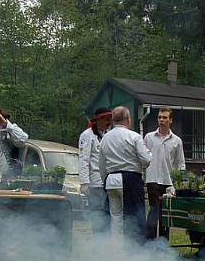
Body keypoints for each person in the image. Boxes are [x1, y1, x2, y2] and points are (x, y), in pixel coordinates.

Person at [98, 106, 152, 248]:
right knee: (135, 217)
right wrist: (149, 154)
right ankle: (136, 252)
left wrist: (105, 182)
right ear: (128, 119)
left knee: (115, 219)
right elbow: (146, 160)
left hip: (110, 179)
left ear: (114, 120)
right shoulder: (134, 136)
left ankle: (116, 252)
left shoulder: (105, 138)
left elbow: (101, 165)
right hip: (130, 178)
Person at [144, 108, 185, 240]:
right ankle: (149, 243)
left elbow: (180, 163)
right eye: (160, 117)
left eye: (165, 117)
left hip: (169, 181)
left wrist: (180, 182)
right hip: (153, 179)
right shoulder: (149, 137)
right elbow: (143, 157)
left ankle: (163, 244)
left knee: (166, 214)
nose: (161, 120)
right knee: (155, 210)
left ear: (170, 120)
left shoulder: (177, 141)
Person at [78, 107, 112, 235]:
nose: (108, 122)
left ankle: (107, 240)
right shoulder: (87, 135)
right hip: (95, 182)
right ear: (98, 120)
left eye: (110, 120)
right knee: (97, 214)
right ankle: (98, 240)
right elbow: (83, 159)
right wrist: (84, 182)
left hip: (108, 181)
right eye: (106, 120)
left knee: (108, 214)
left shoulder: (108, 134)